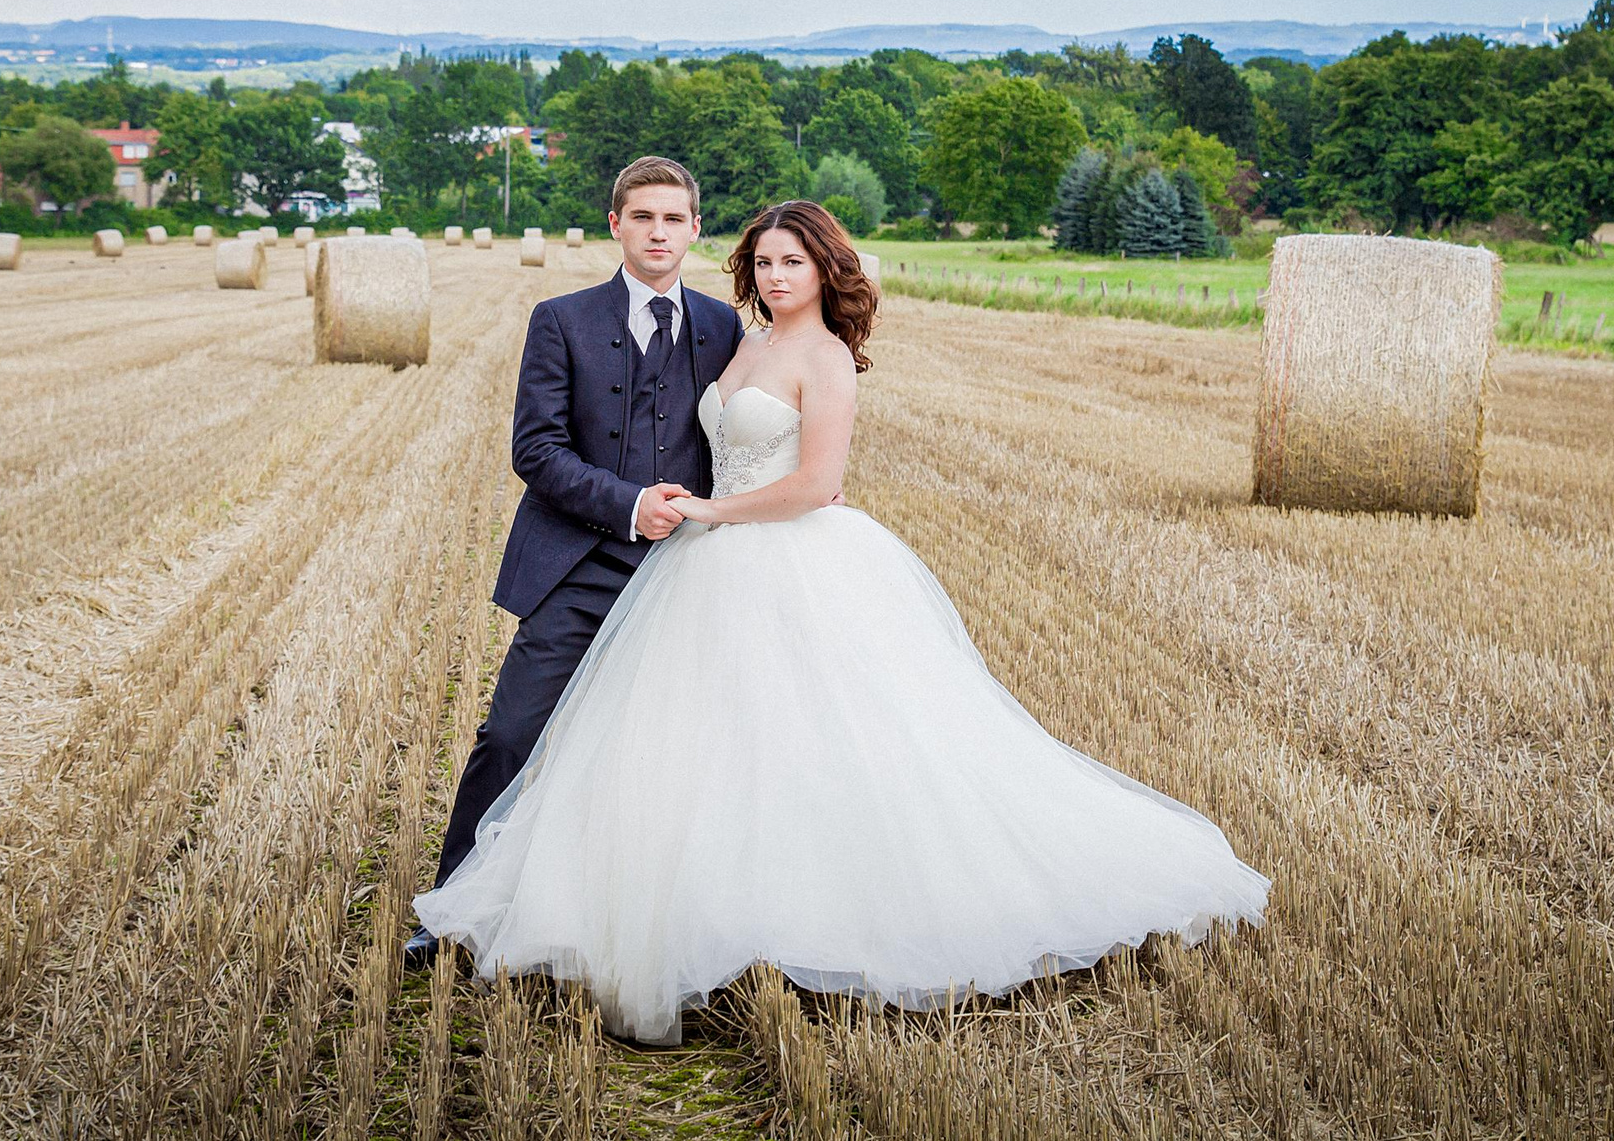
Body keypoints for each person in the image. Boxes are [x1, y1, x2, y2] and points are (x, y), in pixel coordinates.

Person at [414, 199, 1270, 1043]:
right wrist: (673, 506)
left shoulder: (797, 348)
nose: (775, 275)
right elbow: (561, 447)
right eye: (764, 262)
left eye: (793, 261)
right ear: (619, 225)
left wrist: (716, 510)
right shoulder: (724, 336)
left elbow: (817, 481)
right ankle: (484, 906)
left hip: (753, 553)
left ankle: (794, 920)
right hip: (656, 559)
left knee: (800, 747)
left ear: (824, 268)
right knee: (615, 743)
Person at [404, 155, 743, 970]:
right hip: (578, 566)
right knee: (511, 734)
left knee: (674, 753)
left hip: (683, 573)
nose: (658, 232)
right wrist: (628, 505)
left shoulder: (724, 327)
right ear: (615, 225)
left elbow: (742, 440)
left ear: (695, 229)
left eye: (674, 219)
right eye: (643, 217)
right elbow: (536, 449)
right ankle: (451, 912)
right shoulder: (559, 320)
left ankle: (653, 919)